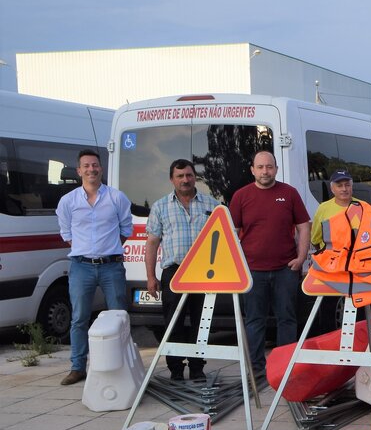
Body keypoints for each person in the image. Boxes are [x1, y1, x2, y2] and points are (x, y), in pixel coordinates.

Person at [229, 151, 311, 376]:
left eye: (269, 167)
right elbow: (232, 233)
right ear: (252, 170)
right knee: (255, 321)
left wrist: (301, 257)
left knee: (287, 319)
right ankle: (256, 370)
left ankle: (283, 368)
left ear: (276, 168)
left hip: (286, 268)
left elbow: (304, 225)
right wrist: (237, 266)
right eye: (261, 167)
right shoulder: (241, 196)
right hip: (252, 271)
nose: (265, 171)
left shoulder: (289, 193)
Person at [55, 149, 132, 385]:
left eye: (95, 165)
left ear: (101, 168)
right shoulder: (68, 201)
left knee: (119, 316)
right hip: (81, 267)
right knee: (79, 318)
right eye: (86, 166)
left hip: (111, 266)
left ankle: (123, 364)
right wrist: (88, 251)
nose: (91, 169)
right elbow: (67, 234)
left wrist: (106, 250)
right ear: (79, 171)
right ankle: (78, 367)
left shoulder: (117, 197)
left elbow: (125, 230)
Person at [145, 159, 221, 381]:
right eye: (180, 176)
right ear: (172, 179)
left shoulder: (212, 205)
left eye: (188, 175)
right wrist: (151, 277)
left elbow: (223, 240)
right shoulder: (160, 206)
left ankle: (197, 368)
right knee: (173, 323)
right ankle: (176, 370)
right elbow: (152, 244)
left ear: (194, 177)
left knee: (202, 323)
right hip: (174, 272)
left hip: (203, 273)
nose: (185, 180)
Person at [311, 169, 357, 252]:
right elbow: (315, 240)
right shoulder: (323, 208)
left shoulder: (363, 206)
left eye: (347, 185)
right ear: (332, 189)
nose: (344, 189)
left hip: (356, 261)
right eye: (339, 186)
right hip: (331, 262)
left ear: (352, 187)